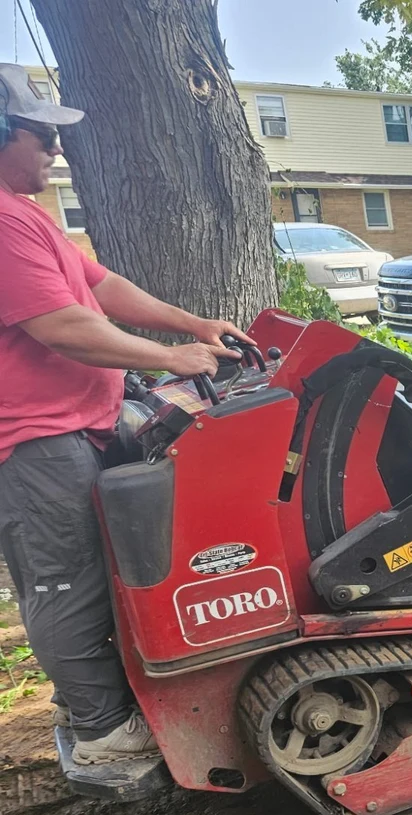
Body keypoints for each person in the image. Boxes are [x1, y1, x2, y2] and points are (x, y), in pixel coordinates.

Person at [0, 63, 255, 765]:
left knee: (110, 569)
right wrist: (172, 360)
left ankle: (114, 693)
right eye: (40, 134)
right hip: (35, 443)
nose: (55, 149)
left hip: (79, 425)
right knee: (66, 581)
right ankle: (103, 730)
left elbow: (102, 288)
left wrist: (193, 324)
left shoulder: (27, 218)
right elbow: (60, 327)